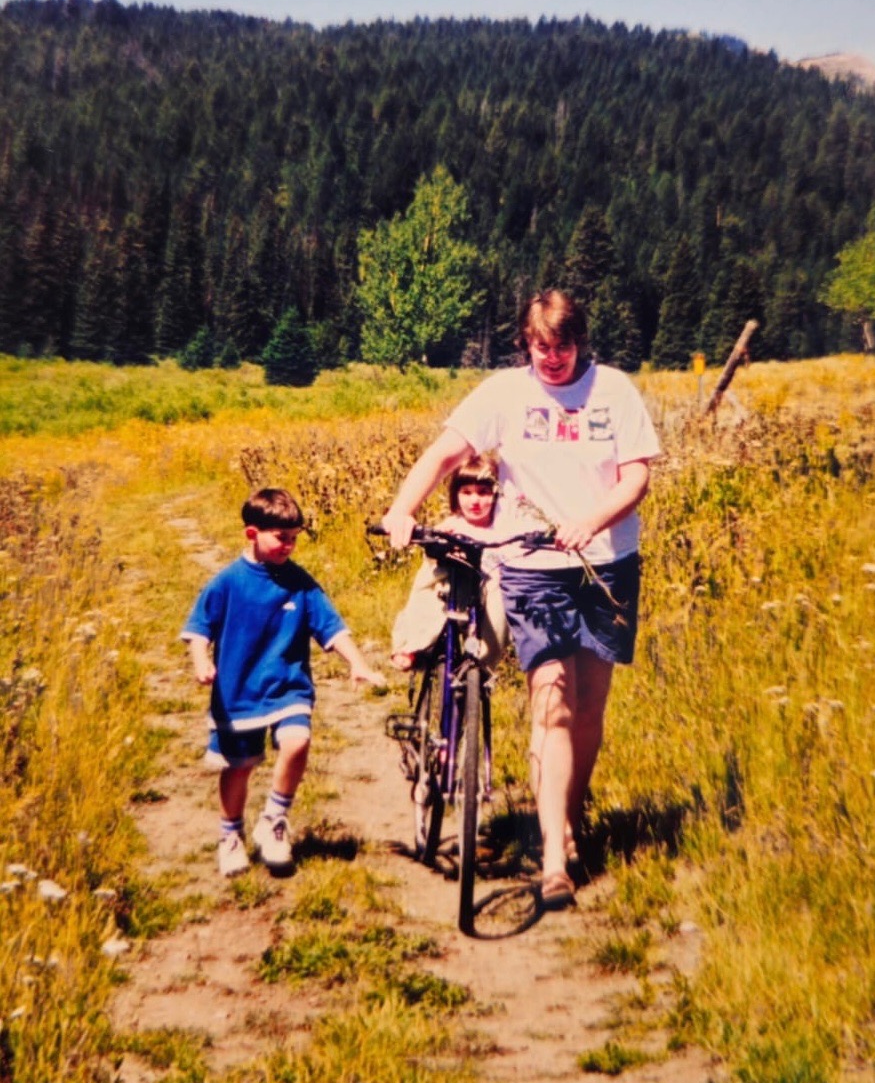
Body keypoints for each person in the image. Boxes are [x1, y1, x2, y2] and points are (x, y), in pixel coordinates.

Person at [381, 290, 661, 910]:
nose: (553, 358)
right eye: (541, 346)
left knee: (589, 710)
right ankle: (554, 861)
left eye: (563, 346)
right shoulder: (504, 394)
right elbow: (446, 452)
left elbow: (638, 474)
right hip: (532, 565)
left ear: (579, 342)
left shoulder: (614, 391)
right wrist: (403, 508)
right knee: (552, 701)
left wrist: (591, 519)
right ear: (525, 343)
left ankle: (566, 815)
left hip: (606, 566)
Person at [181, 487, 386, 878]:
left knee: (298, 741)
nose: (288, 546)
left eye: (294, 538)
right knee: (239, 766)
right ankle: (230, 837)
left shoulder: (300, 583)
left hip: (289, 686)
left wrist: (357, 662)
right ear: (251, 533)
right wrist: (201, 660)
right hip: (237, 691)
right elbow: (198, 629)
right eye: (280, 537)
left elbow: (331, 626)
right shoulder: (227, 582)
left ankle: (274, 819)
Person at [389, 453, 507, 671]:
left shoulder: (501, 527)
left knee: (498, 613)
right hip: (450, 584)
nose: (475, 501)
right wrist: (438, 541)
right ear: (456, 495)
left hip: (486, 587)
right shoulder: (453, 525)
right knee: (429, 596)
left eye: (483, 493)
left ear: (496, 495)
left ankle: (482, 667)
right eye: (467, 492)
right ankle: (412, 645)